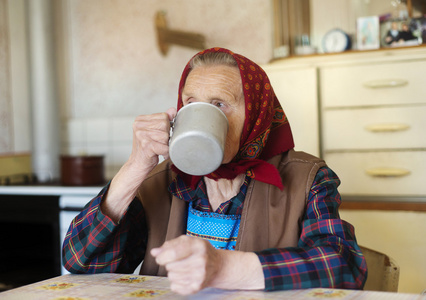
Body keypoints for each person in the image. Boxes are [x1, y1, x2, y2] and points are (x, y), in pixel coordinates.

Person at [62, 47, 367, 295]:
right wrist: (135, 167)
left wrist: (223, 268)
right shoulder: (163, 181)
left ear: (257, 115)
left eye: (219, 104)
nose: (201, 115)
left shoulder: (308, 179)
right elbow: (82, 264)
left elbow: (343, 267)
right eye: (191, 103)